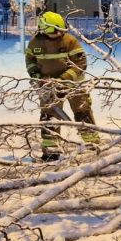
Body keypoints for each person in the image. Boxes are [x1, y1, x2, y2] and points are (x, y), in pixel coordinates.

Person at [25, 11, 99, 160]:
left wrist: (62, 80)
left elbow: (80, 64)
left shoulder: (70, 41)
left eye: (60, 29)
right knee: (49, 116)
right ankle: (51, 150)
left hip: (74, 85)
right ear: (43, 28)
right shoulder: (35, 43)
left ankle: (92, 145)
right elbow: (30, 61)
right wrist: (37, 77)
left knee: (82, 112)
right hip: (48, 87)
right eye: (54, 30)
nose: (58, 33)